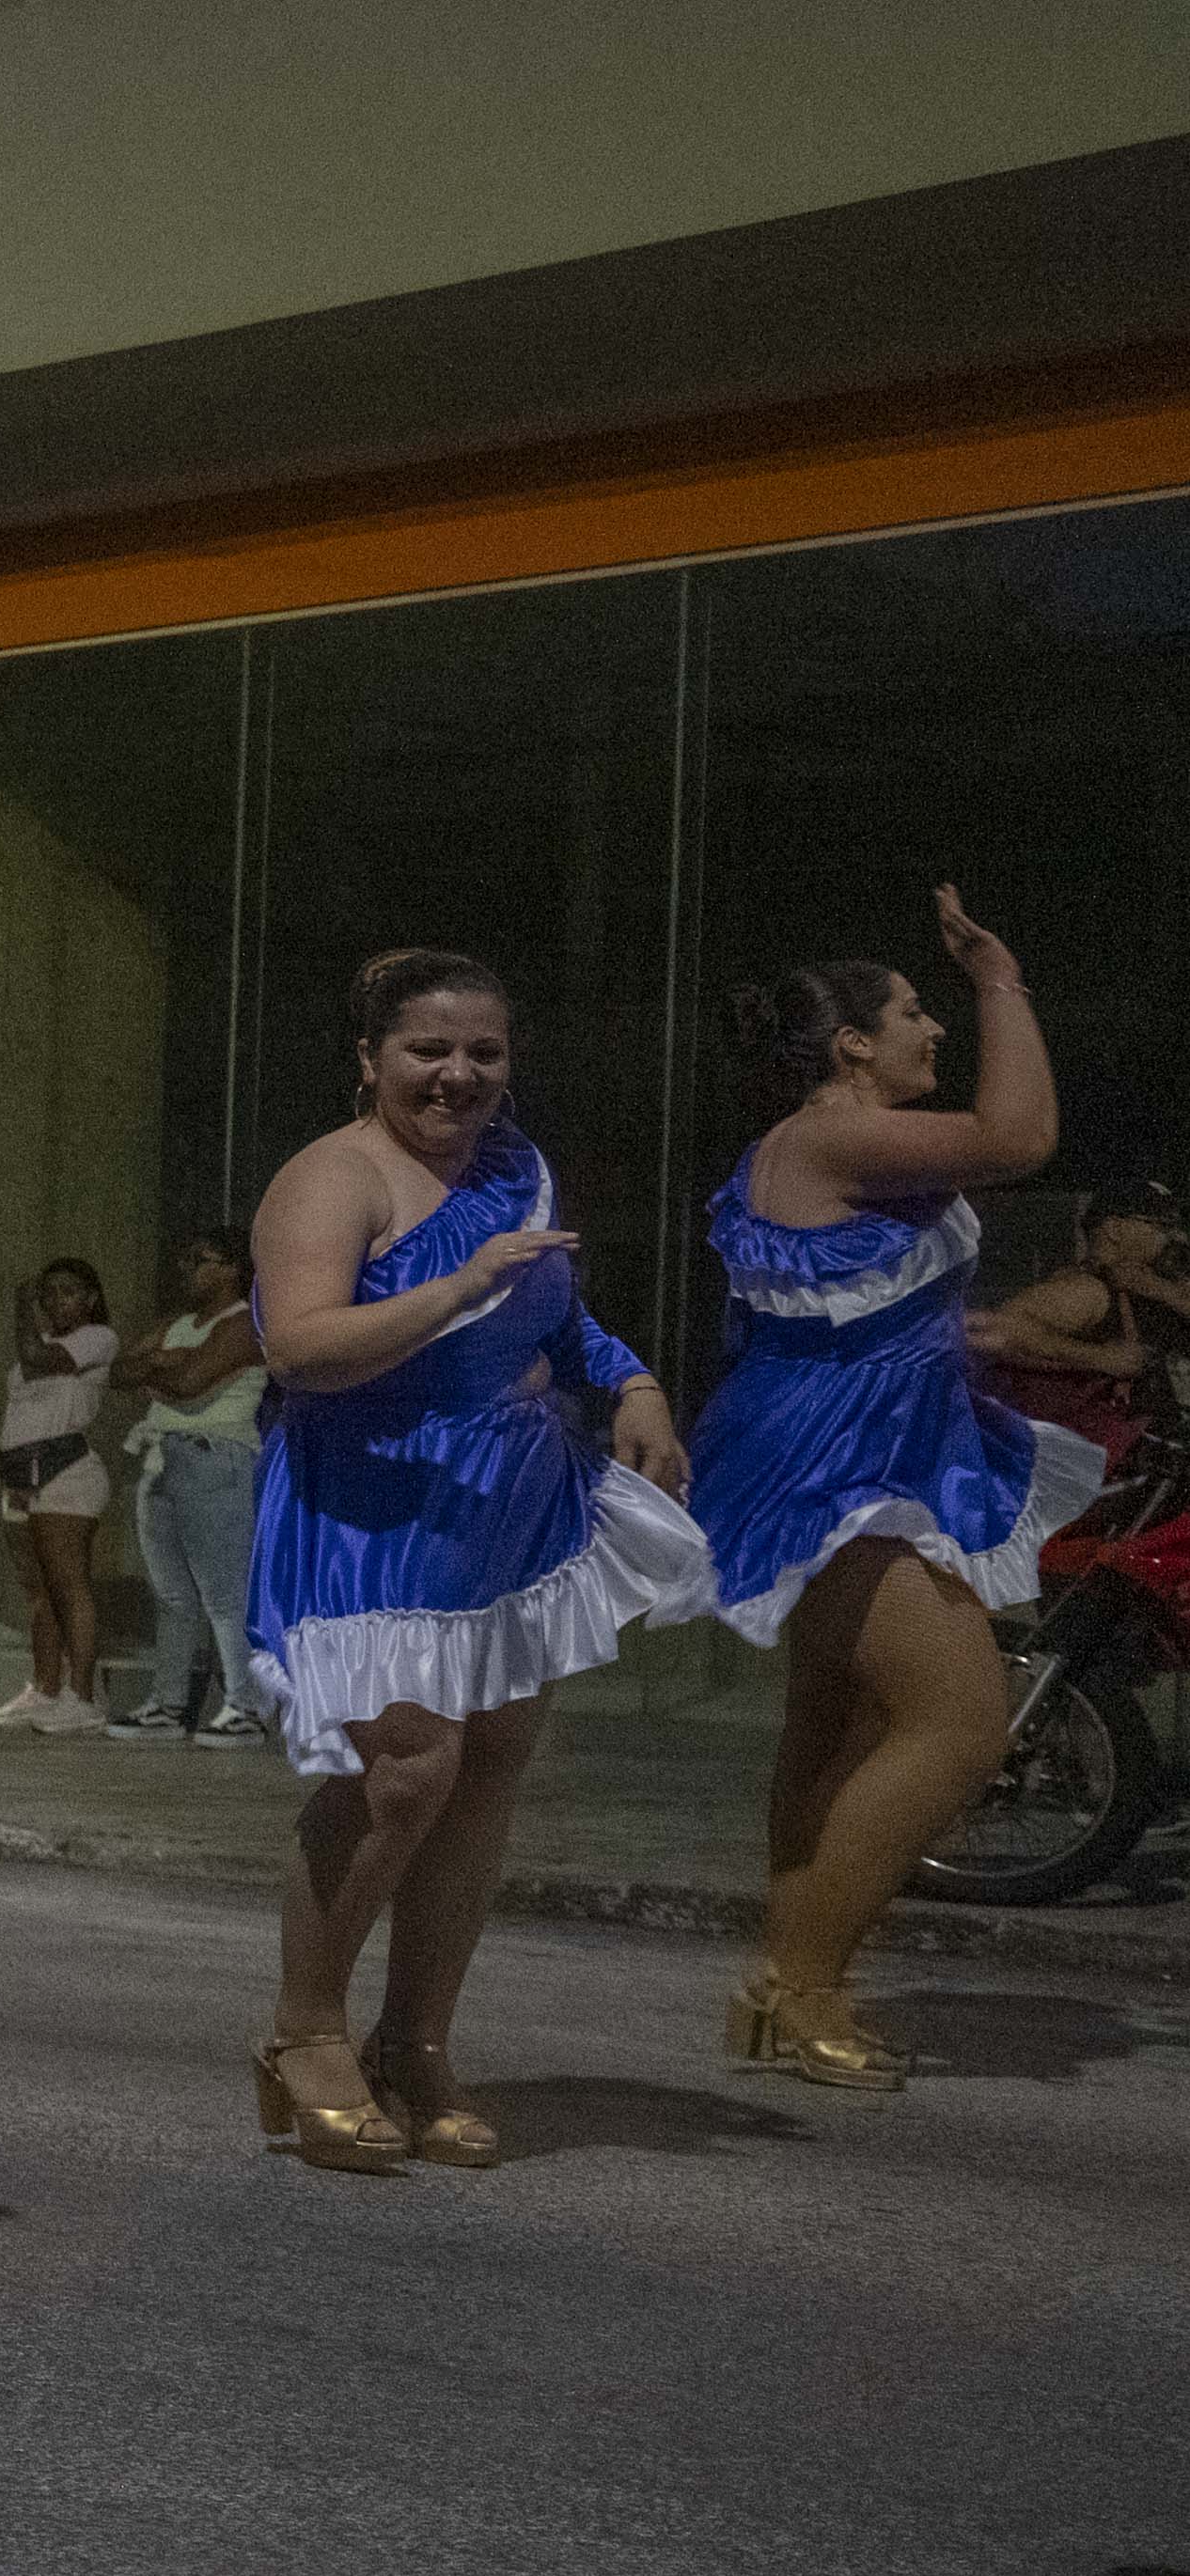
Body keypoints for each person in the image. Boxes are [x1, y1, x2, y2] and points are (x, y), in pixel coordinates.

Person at [242, 949, 709, 2174]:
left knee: (486, 1766)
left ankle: (416, 2042)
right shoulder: (329, 1178)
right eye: (427, 1051)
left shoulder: (513, 1168)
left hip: (511, 1502)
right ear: (368, 1058)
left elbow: (552, 1314)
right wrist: (452, 1286)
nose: (457, 1075)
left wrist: (634, 1379)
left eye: (482, 1053)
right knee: (404, 1768)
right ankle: (302, 2031)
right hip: (371, 1507)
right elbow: (299, 1347)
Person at [690, 898, 1092, 2090]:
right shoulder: (829, 1136)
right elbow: (1018, 1137)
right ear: (852, 1046)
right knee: (961, 1723)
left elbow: (847, 1291)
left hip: (866, 1435)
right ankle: (799, 1984)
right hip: (835, 1460)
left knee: (838, 1721)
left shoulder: (828, 1149)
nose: (935, 1030)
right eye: (913, 1014)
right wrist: (1000, 979)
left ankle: (795, 1982)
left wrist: (943, 1326)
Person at [105, 1228, 265, 1742]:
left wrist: (166, 1369)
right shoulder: (179, 1325)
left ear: (233, 1268)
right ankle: (168, 1706)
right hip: (163, 1457)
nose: (188, 1268)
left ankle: (247, 1706)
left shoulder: (243, 1323)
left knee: (224, 1592)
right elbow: (118, 1371)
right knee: (170, 1593)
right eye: (187, 1257)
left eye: (202, 1259)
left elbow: (192, 1383)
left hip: (215, 1457)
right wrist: (169, 1364)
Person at [966, 1177, 1182, 1468]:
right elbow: (988, 1331)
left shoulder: (1139, 1290)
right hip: (1080, 1475)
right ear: (1115, 1229)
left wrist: (1157, 1288)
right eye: (1159, 1226)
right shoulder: (1086, 1291)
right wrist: (1100, 1358)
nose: (1172, 1237)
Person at [0, 1258, 118, 1732]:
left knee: (69, 1584)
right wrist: (0, 1476)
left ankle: (82, 1697)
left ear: (89, 1298)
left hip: (67, 1472)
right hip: (21, 1475)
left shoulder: (97, 1338)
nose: (56, 1301)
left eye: (68, 1292)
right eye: (48, 1294)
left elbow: (37, 1361)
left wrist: (22, 1306)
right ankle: (45, 1688)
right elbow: (20, 1412)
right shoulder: (38, 1343)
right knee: (38, 1591)